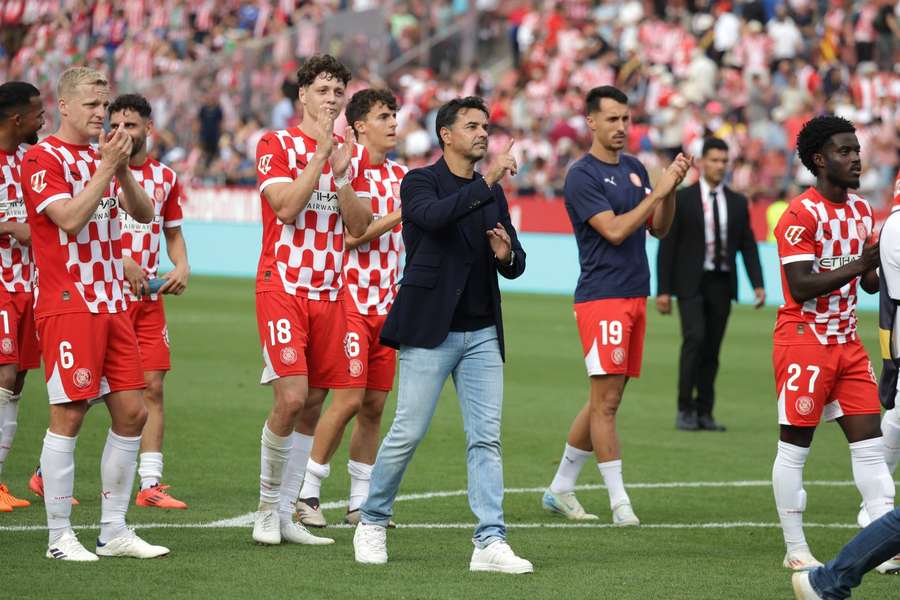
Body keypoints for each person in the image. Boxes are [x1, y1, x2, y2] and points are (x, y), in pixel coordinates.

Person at [352, 96, 532, 574]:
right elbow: (432, 219)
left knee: (486, 440)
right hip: (431, 329)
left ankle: (489, 540)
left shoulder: (492, 193)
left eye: (486, 126)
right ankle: (371, 520)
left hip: (482, 333)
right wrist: (489, 179)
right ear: (446, 135)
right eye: (472, 126)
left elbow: (517, 261)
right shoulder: (419, 182)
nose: (482, 133)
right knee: (407, 432)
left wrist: (504, 255)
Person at [20, 66, 168, 560]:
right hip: (68, 305)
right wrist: (107, 167)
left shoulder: (103, 157)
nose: (103, 117)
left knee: (133, 410)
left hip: (112, 304)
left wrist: (121, 168)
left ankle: (113, 530)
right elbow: (67, 219)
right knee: (70, 413)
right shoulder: (44, 158)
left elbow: (146, 214)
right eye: (92, 106)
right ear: (63, 107)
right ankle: (59, 536)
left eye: (105, 108)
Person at [541, 86, 690, 524]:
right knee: (605, 404)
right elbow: (616, 231)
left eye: (626, 119)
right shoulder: (582, 175)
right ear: (591, 122)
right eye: (612, 119)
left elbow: (658, 229)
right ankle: (619, 502)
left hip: (633, 294)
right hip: (601, 297)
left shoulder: (635, 167)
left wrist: (670, 189)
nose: (621, 127)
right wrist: (656, 191)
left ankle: (561, 488)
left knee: (605, 398)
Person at [251, 54, 371, 546]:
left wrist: (342, 174)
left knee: (314, 402)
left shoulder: (351, 154)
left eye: (337, 92)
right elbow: (284, 206)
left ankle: (285, 515)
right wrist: (320, 156)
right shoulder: (274, 143)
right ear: (302, 95)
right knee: (293, 396)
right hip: (283, 284)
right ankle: (264, 509)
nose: (331, 99)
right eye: (322, 90)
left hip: (330, 291)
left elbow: (359, 227)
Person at [770, 115, 896, 573]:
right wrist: (863, 260)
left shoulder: (862, 211)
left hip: (848, 343)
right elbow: (801, 285)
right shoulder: (800, 215)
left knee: (870, 445)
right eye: (845, 151)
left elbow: (865, 282)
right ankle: (795, 546)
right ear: (820, 160)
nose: (856, 158)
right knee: (794, 448)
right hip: (804, 340)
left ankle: (885, 547)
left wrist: (884, 270)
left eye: (857, 150)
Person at [296, 88, 406, 528]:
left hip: (388, 304)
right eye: (384, 116)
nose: (394, 123)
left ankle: (361, 502)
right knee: (347, 400)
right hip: (350, 301)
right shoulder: (344, 166)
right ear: (360, 126)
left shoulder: (403, 176)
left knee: (375, 406)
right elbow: (352, 236)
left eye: (395, 115)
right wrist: (402, 214)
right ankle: (306, 492)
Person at [108, 93, 190, 510]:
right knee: (91, 392)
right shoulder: (97, 170)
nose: (122, 133)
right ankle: (42, 471)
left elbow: (172, 232)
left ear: (147, 130)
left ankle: (151, 484)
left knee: (154, 388)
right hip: (104, 297)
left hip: (147, 301)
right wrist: (122, 261)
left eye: (131, 126)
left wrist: (182, 265)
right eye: (116, 125)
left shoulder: (165, 178)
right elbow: (79, 230)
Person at [656, 136, 765, 431]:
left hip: (722, 282)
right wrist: (663, 290)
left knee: (712, 349)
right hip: (690, 283)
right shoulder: (684, 198)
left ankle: (705, 411)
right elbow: (667, 246)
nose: (719, 166)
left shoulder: (738, 202)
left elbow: (748, 245)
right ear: (702, 163)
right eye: (714, 160)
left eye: (723, 161)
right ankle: (684, 408)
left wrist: (758, 283)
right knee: (695, 340)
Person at [0, 81, 44, 512]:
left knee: (19, 379)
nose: (43, 119)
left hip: (29, 285)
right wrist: (12, 229)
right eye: (37, 113)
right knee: (5, 371)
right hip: (0, 283)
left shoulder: (28, 160)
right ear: (17, 119)